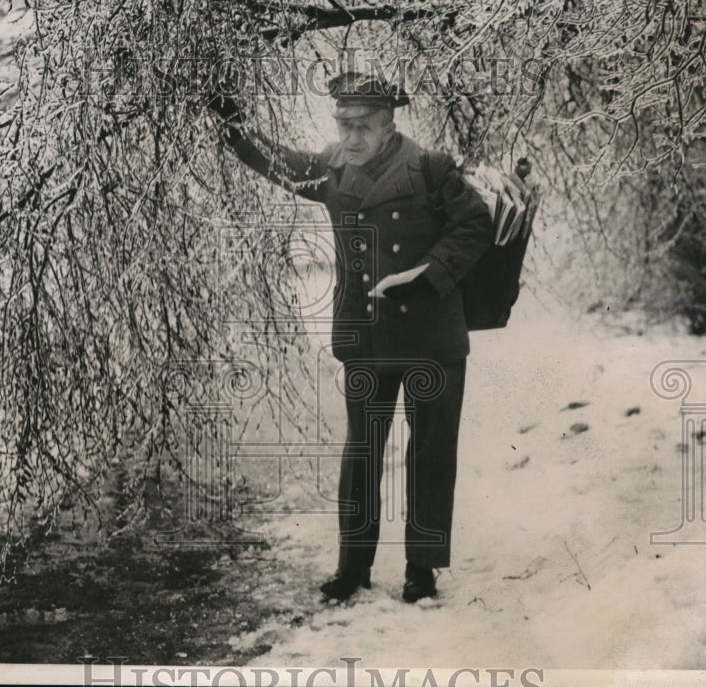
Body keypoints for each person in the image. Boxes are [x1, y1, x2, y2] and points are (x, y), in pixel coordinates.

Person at [208, 71, 493, 603]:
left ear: (388, 126)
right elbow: (276, 163)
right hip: (366, 337)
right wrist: (232, 123)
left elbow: (475, 224)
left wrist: (427, 273)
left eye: (361, 127)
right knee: (361, 453)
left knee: (429, 456)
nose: (351, 138)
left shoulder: (431, 169)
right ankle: (353, 569)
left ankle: (422, 570)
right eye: (343, 125)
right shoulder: (332, 170)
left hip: (431, 339)